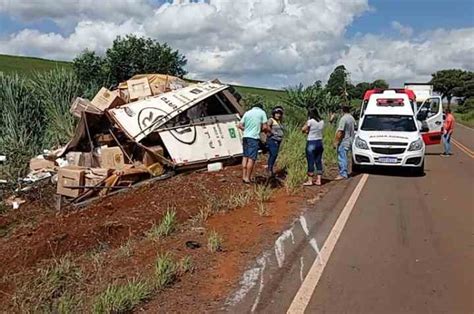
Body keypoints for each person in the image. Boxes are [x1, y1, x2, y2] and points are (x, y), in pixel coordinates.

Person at [238, 103, 268, 183]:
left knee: (245, 156)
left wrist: (247, 130)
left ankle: (244, 176)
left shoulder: (247, 113)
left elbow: (240, 125)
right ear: (261, 108)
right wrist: (260, 130)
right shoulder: (262, 112)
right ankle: (248, 178)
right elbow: (265, 127)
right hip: (254, 138)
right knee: (251, 158)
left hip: (245, 137)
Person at [302, 108, 325, 186]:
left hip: (311, 141)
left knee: (310, 161)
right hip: (319, 142)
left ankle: (310, 180)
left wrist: (306, 131)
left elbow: (303, 129)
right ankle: (319, 180)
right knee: (318, 161)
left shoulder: (310, 121)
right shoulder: (321, 121)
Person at [334, 105, 356, 180]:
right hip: (350, 140)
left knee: (342, 157)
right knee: (345, 157)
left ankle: (343, 173)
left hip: (344, 141)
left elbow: (340, 131)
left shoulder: (343, 119)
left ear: (342, 110)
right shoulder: (352, 118)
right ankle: (345, 172)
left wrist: (336, 142)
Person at [266, 106, 285, 177]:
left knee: (274, 154)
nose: (278, 115)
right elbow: (266, 127)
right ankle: (269, 170)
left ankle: (270, 169)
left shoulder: (279, 121)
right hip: (272, 139)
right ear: (274, 113)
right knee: (273, 154)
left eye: (279, 113)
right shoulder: (271, 120)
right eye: (277, 113)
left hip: (278, 140)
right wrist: (271, 133)